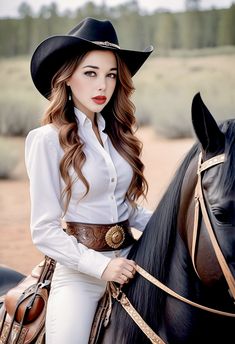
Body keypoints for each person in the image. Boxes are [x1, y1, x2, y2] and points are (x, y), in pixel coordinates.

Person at [25, 17, 154, 343]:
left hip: (133, 264)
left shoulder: (117, 136)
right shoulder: (46, 140)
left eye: (111, 75)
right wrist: (101, 267)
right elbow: (44, 230)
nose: (103, 86)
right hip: (80, 276)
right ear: (67, 78)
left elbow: (128, 207)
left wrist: (172, 222)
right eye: (90, 73)